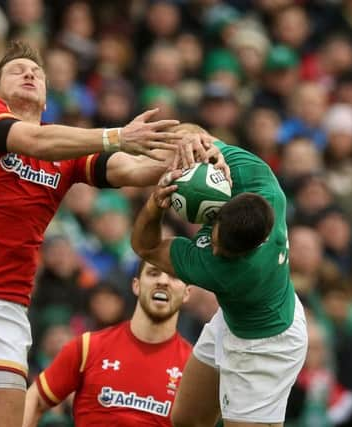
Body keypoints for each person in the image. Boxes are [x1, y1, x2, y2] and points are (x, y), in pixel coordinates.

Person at [0, 41, 222, 427]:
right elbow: (34, 142)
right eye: (17, 70)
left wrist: (196, 148)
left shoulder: (68, 150)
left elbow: (135, 171)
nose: (30, 74)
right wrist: (116, 135)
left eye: (37, 73)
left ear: (48, 99)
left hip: (4, 304)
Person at [131, 124, 308, 427]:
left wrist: (154, 205)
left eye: (225, 251)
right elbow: (196, 133)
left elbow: (145, 247)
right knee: (187, 420)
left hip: (265, 349)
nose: (214, 250)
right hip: (235, 319)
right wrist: (193, 139)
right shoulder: (262, 182)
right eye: (216, 240)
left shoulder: (225, 271)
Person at [22, 261, 192, 426]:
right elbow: (35, 399)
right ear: (136, 285)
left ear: (187, 293)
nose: (162, 281)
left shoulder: (194, 367)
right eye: (153, 273)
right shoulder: (89, 346)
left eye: (174, 277)